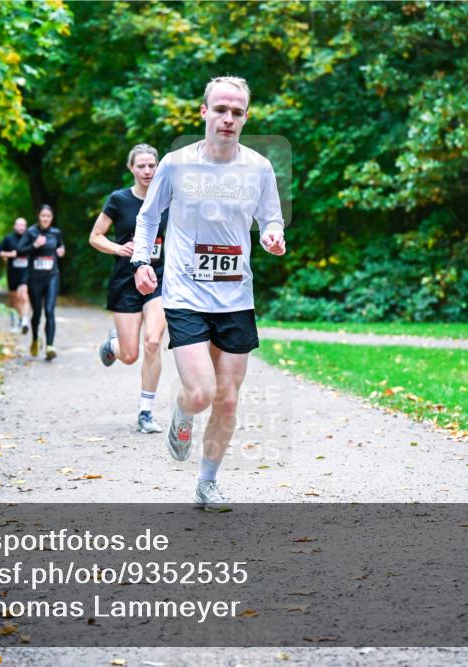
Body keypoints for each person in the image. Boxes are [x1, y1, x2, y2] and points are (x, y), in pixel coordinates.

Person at [130, 76, 286, 511]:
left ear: (246, 118)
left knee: (228, 396)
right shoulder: (177, 164)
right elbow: (148, 218)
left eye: (237, 112)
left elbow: (272, 218)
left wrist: (273, 236)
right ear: (204, 112)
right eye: (220, 109)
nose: (228, 119)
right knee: (200, 393)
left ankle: (208, 482)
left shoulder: (258, 167)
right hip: (185, 292)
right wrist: (141, 262)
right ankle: (182, 412)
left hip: (236, 296)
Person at [89, 144, 169, 434]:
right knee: (130, 354)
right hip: (125, 280)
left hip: (159, 279)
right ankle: (113, 346)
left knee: (153, 341)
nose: (147, 171)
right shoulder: (119, 200)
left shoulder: (169, 198)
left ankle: (146, 412)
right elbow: (96, 236)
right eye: (141, 166)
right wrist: (120, 249)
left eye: (151, 165)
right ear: (131, 168)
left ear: (158, 166)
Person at [21, 205, 65, 360]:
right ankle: (34, 338)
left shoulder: (56, 233)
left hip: (52, 276)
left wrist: (62, 250)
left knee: (49, 310)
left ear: (51, 218)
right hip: (35, 279)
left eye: (48, 216)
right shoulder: (31, 232)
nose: (45, 218)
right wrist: (35, 245)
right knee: (37, 313)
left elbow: (60, 246)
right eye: (43, 215)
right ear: (38, 216)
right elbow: (19, 251)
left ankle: (49, 346)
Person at [0, 218, 31, 334]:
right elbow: (0, 253)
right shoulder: (9, 238)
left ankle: (25, 321)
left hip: (26, 272)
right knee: (14, 299)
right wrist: (10, 254)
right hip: (12, 272)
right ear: (14, 226)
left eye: (23, 225)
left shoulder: (29, 238)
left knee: (24, 296)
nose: (21, 227)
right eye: (19, 225)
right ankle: (17, 319)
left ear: (26, 227)